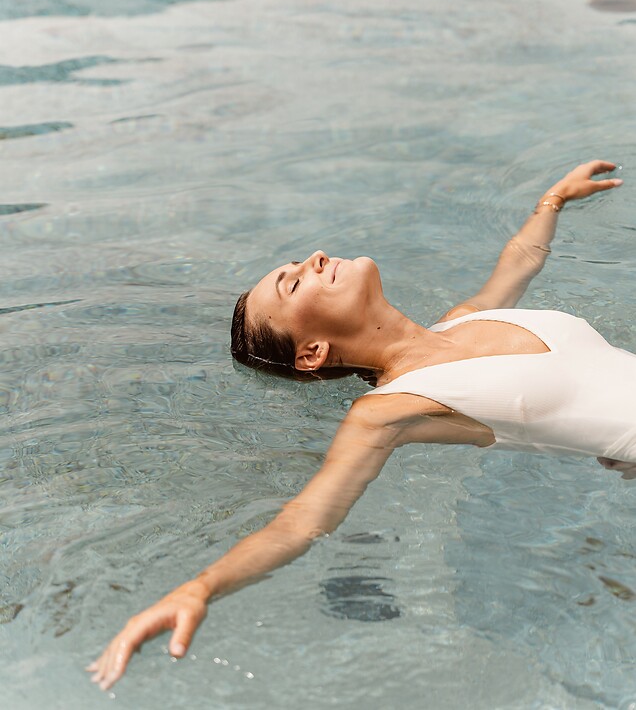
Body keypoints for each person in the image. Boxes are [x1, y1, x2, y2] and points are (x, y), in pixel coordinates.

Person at [88, 160, 633, 690]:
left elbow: (520, 259)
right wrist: (199, 589)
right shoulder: (387, 410)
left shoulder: (467, 319)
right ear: (312, 353)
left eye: (298, 263)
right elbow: (300, 523)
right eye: (293, 285)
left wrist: (554, 199)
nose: (316, 258)